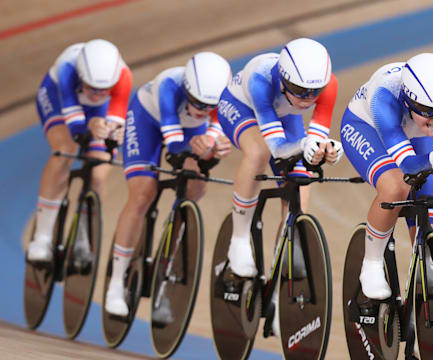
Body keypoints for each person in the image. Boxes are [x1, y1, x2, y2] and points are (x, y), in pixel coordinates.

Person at [104, 52, 233, 317]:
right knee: (142, 194)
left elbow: (211, 145)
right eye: (197, 101)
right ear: (187, 88)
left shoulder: (223, 97)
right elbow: (175, 147)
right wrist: (197, 149)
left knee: (195, 187)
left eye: (210, 105)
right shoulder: (169, 86)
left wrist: (213, 150)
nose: (203, 109)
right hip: (148, 121)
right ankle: (116, 282)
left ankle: (166, 265)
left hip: (189, 129)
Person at [340, 53, 433, 300]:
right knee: (395, 186)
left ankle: (426, 259)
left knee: (432, 189)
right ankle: (371, 264)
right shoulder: (384, 99)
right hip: (366, 127)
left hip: (411, 131)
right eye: (429, 112)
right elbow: (410, 166)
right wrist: (431, 161)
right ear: (409, 101)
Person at [216, 38, 343, 280]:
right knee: (258, 152)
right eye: (300, 91)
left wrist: (327, 150)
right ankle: (239, 241)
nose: (307, 99)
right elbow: (276, 148)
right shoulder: (261, 80)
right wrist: (304, 145)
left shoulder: (329, 85)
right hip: (241, 106)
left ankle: (281, 264)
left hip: (284, 115)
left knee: (301, 179)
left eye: (314, 92)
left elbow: (313, 144)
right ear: (284, 81)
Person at [28, 39, 132, 263]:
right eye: (92, 88)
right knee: (64, 150)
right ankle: (42, 237)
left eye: (103, 90)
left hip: (99, 111)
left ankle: (84, 234)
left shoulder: (123, 76)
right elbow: (75, 126)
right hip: (58, 98)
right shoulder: (67, 69)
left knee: (99, 170)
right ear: (81, 76)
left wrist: (113, 133)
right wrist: (91, 126)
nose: (96, 94)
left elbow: (115, 122)